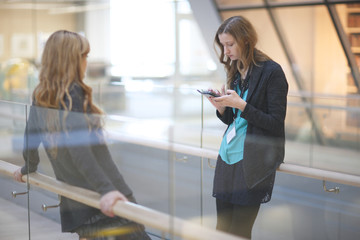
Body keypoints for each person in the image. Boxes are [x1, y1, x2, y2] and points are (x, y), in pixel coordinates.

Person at [13, 30, 151, 240]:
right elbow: (79, 149)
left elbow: (31, 135)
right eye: (84, 56)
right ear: (71, 60)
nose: (87, 62)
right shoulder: (73, 94)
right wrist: (106, 190)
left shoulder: (42, 92)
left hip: (78, 200)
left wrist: (28, 167)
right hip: (105, 194)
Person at [206, 16, 288, 239]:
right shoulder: (236, 70)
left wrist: (241, 104)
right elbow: (235, 120)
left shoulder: (272, 72)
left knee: (239, 233)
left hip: (252, 162)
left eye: (230, 44)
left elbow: (274, 123)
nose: (226, 51)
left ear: (246, 40)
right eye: (223, 45)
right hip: (227, 157)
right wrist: (222, 108)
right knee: (221, 232)